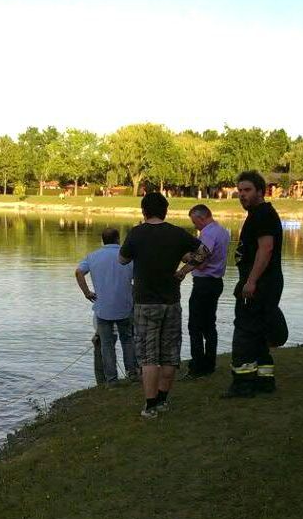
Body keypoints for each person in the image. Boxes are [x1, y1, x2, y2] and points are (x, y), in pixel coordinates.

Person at [119, 192, 209, 418]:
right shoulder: (177, 233)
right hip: (171, 301)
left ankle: (150, 406)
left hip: (145, 302)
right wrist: (184, 269)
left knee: (149, 356)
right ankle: (162, 400)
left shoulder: (136, 233)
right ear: (166, 210)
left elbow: (122, 259)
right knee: (169, 354)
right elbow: (203, 253)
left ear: (143, 210)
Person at [223, 170, 288, 398]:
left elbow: (266, 248)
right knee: (259, 331)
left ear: (260, 191)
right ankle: (264, 380)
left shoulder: (262, 215)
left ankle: (242, 383)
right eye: (240, 191)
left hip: (259, 284)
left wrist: (251, 281)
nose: (242, 195)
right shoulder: (259, 214)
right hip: (265, 282)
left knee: (244, 331)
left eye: (247, 190)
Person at [76, 228, 138, 385]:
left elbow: (78, 272)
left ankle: (111, 379)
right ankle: (132, 373)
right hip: (125, 305)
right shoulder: (128, 257)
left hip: (102, 307)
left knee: (106, 344)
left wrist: (87, 292)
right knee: (127, 340)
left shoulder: (93, 256)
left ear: (103, 240)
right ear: (118, 239)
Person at [176, 204, 230, 378]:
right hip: (216, 282)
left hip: (204, 283)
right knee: (209, 325)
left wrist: (182, 270)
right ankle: (210, 362)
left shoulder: (207, 233)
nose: (195, 226)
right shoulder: (222, 231)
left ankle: (197, 366)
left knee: (195, 326)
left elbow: (201, 258)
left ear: (201, 217)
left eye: (194, 222)